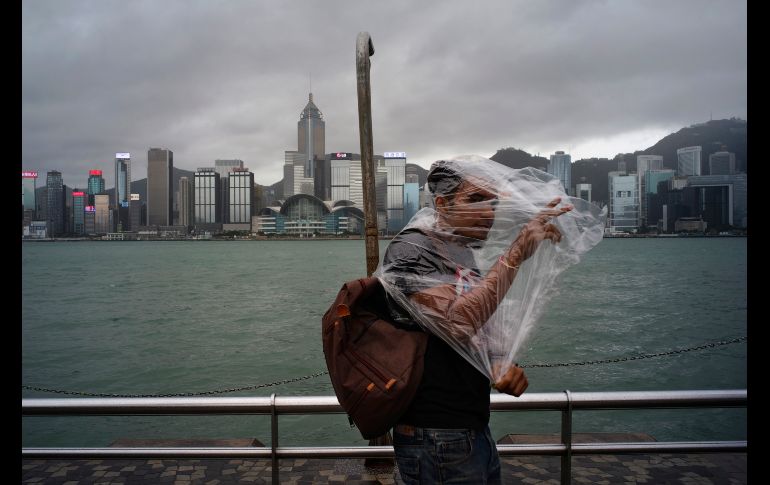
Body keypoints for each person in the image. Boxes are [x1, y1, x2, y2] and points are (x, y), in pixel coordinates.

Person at [378, 159, 572, 484]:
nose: (489, 212)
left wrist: (497, 362)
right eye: (476, 199)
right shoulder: (411, 250)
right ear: (442, 204)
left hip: (471, 428)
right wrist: (516, 252)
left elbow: (475, 327)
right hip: (434, 433)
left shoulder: (460, 252)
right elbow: (457, 321)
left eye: (493, 201)